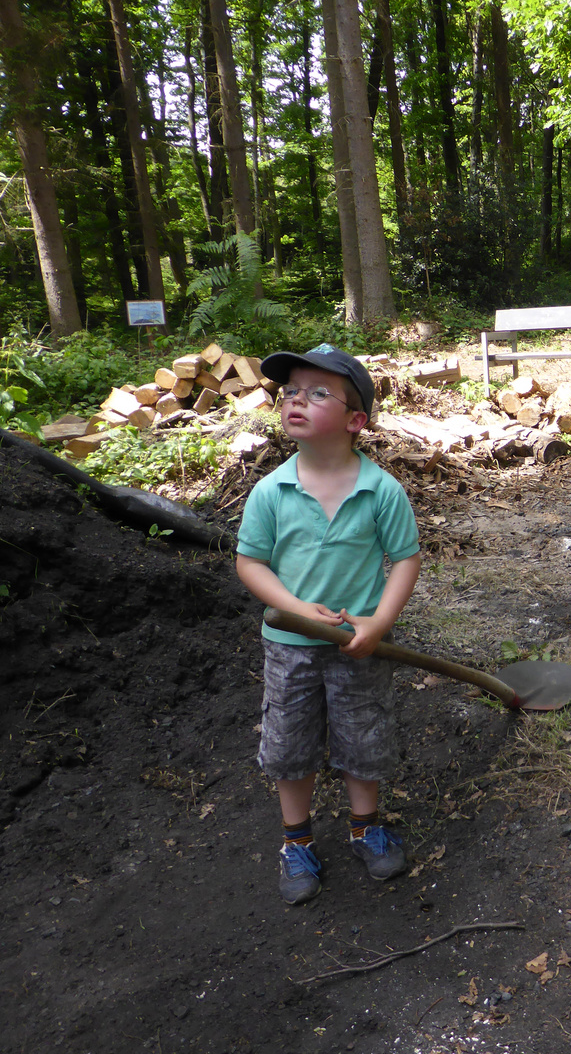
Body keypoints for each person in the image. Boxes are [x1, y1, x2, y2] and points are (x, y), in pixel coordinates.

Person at [235, 344, 421, 904]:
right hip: (289, 647)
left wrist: (379, 622)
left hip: (356, 647)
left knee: (363, 737)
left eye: (318, 392)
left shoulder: (380, 491)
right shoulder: (271, 492)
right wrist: (291, 606)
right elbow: (250, 562)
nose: (296, 399)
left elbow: (405, 559)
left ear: (354, 419)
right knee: (290, 745)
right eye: (290, 390)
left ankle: (365, 826)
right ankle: (297, 842)